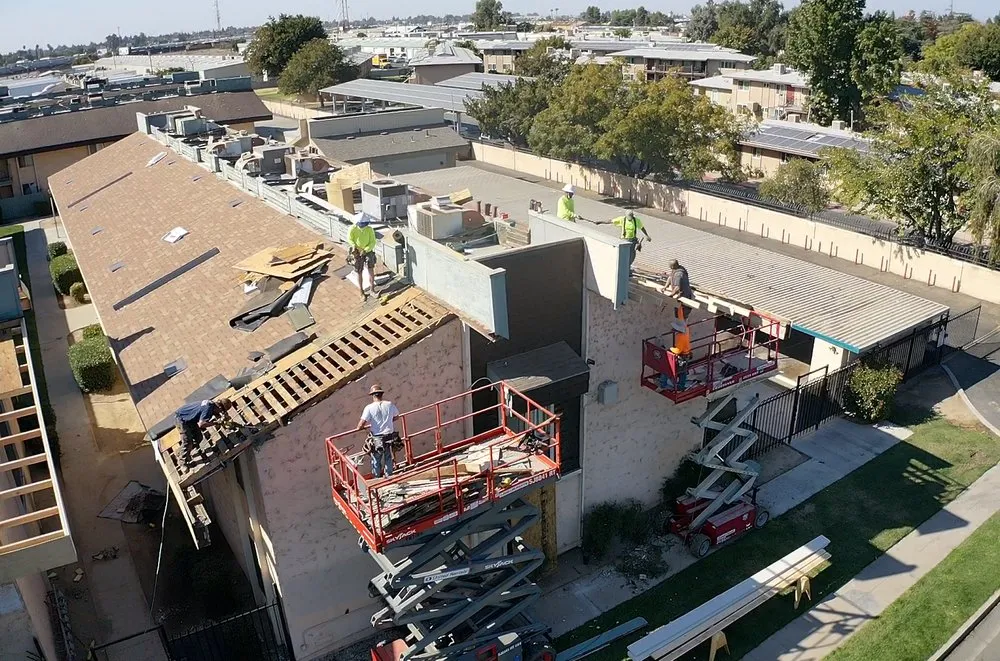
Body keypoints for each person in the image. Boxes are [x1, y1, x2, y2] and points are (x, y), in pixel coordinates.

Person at [356, 384, 400, 478]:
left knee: (376, 458)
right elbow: (397, 416)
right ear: (381, 394)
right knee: (388, 456)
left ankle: (377, 477)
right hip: (389, 435)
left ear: (373, 395)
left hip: (377, 437)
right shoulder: (389, 404)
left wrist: (362, 427)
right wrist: (388, 421)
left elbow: (360, 425)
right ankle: (389, 475)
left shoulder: (369, 408)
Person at [348, 213, 377, 301]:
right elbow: (350, 239)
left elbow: (373, 242)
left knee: (371, 269)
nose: (362, 226)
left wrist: (365, 250)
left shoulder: (369, 229)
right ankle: (361, 292)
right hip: (357, 251)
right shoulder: (352, 228)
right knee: (359, 271)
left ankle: (372, 289)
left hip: (367, 251)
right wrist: (354, 247)